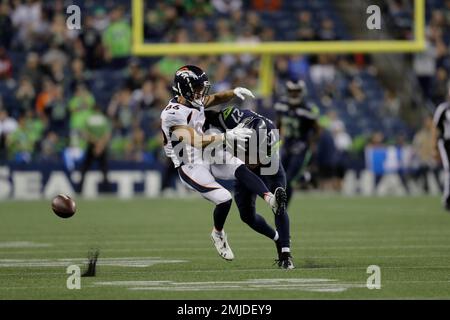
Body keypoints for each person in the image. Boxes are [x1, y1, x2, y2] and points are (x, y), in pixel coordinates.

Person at [160, 65, 287, 262]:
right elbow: (197, 141)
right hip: (189, 163)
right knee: (224, 198)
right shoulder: (172, 114)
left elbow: (215, 99)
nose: (202, 92)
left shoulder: (194, 99)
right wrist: (228, 136)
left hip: (207, 152)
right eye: (197, 88)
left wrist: (234, 92)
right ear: (184, 89)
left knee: (238, 166)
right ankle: (218, 233)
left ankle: (271, 199)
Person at [205, 105, 295, 269]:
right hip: (242, 166)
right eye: (252, 153)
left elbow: (264, 160)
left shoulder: (270, 140)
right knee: (246, 216)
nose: (254, 161)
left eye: (258, 155)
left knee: (279, 202)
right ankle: (276, 238)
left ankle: (285, 253)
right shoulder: (230, 117)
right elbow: (207, 114)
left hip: (269, 165)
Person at [275, 80, 320, 206]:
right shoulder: (281, 105)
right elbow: (278, 123)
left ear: (301, 92)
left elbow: (317, 129)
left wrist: (310, 144)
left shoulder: (308, 109)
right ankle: (305, 177)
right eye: (291, 91)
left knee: (288, 180)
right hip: (287, 143)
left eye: (297, 91)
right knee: (279, 177)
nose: (294, 94)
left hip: (301, 146)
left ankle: (283, 209)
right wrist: (275, 137)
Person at [78, 105, 112, 194]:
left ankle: (79, 190)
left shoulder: (89, 119)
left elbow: (85, 134)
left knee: (85, 168)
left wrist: (95, 143)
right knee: (104, 169)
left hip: (92, 145)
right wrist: (100, 145)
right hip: (101, 146)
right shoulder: (104, 119)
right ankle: (107, 190)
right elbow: (107, 134)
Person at [432, 86, 450, 210]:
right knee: (449, 169)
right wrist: (434, 147)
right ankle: (447, 198)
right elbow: (435, 128)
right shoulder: (443, 108)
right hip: (446, 142)